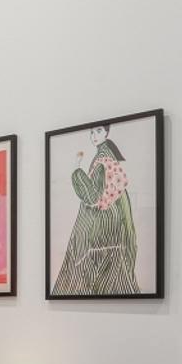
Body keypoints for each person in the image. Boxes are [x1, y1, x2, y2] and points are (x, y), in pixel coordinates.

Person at [52, 126, 139, 295]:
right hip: (114, 226)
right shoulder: (107, 156)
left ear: (107, 132)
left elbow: (92, 196)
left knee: (87, 272)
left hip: (101, 227)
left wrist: (76, 169)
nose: (93, 136)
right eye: (91, 132)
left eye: (98, 131)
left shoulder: (102, 159)